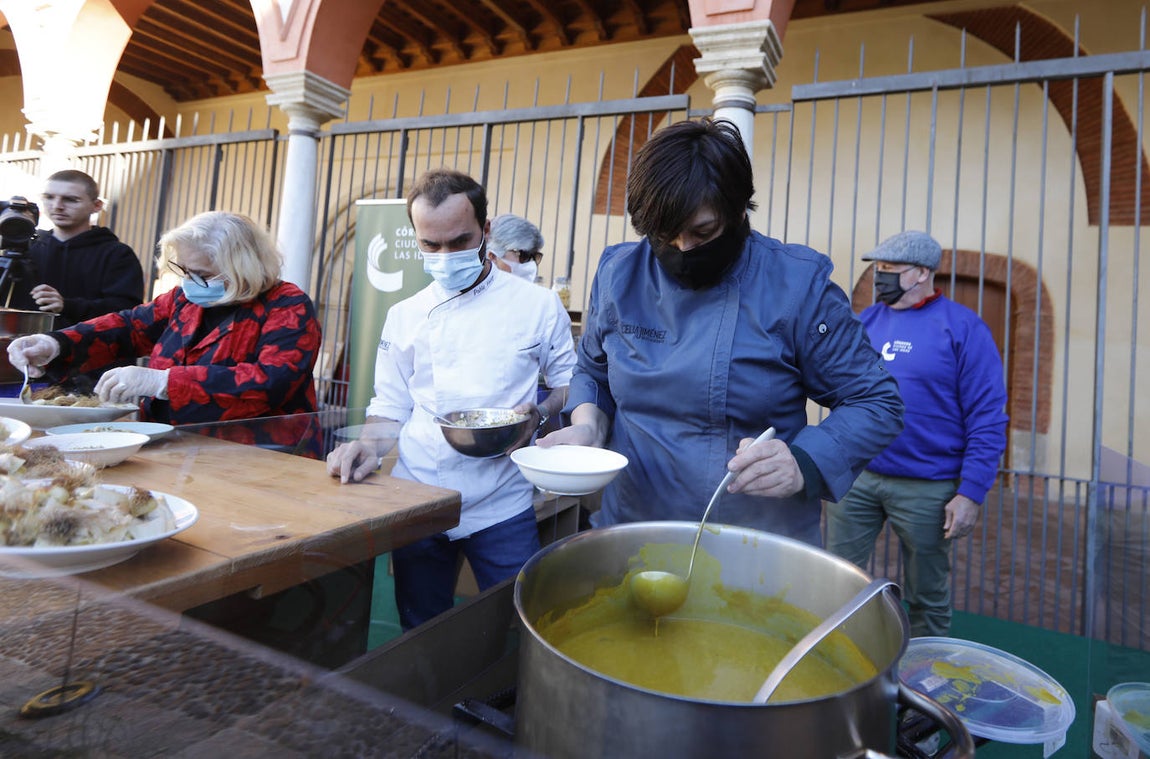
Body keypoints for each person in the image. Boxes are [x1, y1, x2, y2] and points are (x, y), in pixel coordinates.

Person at [538, 117, 904, 547]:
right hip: (632, 524)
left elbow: (876, 400)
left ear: (736, 210)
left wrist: (804, 461)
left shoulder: (796, 286)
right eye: (664, 235)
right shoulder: (619, 273)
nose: (683, 250)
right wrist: (587, 427)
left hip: (755, 539)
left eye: (703, 232)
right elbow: (593, 373)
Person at [326, 169, 576, 629]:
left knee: (525, 623)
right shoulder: (404, 316)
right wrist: (367, 445)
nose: (444, 256)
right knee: (420, 626)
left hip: (503, 499)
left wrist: (539, 411)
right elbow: (391, 405)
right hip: (420, 495)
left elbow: (569, 384)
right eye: (430, 245)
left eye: (459, 242)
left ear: (486, 230)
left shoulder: (538, 306)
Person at [7, 211, 322, 453]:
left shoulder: (286, 305)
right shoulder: (184, 299)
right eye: (184, 270)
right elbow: (128, 326)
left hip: (261, 455)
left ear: (242, 267)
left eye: (202, 273)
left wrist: (164, 381)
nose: (189, 281)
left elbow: (272, 381)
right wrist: (57, 343)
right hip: (174, 446)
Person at [824, 230, 1009, 637]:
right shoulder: (867, 320)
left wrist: (971, 492)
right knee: (837, 578)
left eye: (890, 269)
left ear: (922, 273)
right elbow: (844, 390)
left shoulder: (962, 328)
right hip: (858, 477)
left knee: (927, 593)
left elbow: (988, 416)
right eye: (878, 268)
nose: (880, 276)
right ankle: (838, 656)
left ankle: (925, 681)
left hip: (928, 487)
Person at [7, 169, 143, 329]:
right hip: (22, 349)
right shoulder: (26, 250)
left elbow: (127, 313)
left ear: (97, 205)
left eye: (70, 200)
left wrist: (68, 306)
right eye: (49, 197)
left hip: (91, 350)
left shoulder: (117, 254)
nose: (57, 206)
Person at [487, 213, 544, 283]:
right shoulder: (474, 292)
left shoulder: (541, 293)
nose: (531, 264)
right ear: (493, 257)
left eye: (535, 256)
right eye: (524, 256)